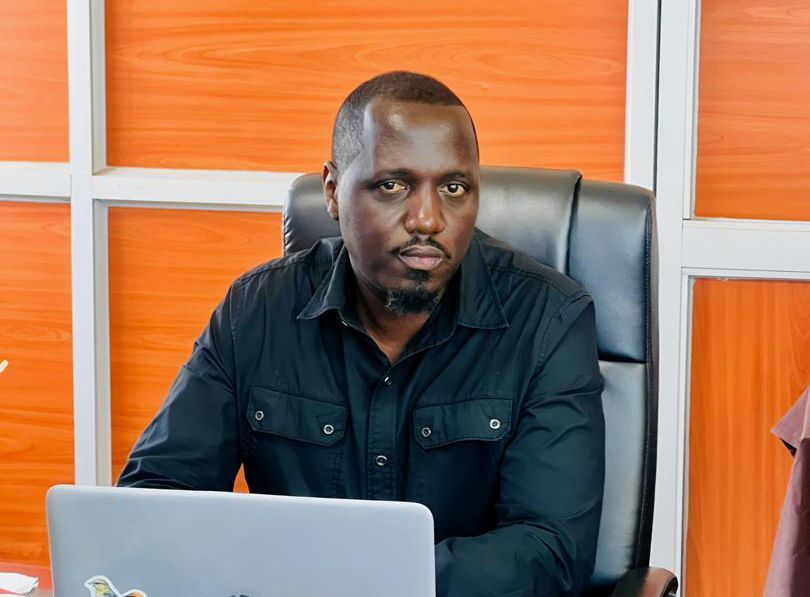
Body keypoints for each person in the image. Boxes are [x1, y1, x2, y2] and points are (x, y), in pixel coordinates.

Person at [118, 71, 605, 597]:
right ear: (332, 191)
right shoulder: (256, 311)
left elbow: (549, 553)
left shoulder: (548, 320)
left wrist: (339, 579)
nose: (427, 219)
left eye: (454, 187)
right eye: (392, 185)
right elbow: (156, 500)